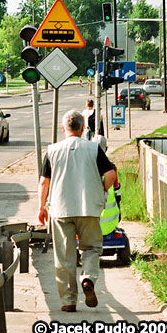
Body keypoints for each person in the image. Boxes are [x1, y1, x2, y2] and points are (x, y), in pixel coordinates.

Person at [38, 109, 117, 312]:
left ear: (63, 128)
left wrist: (41, 207)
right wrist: (102, 189)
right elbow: (110, 173)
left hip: (60, 208)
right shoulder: (93, 148)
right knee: (91, 248)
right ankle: (88, 278)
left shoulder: (52, 150)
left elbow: (43, 182)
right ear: (83, 128)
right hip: (88, 207)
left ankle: (68, 301)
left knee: (64, 256)